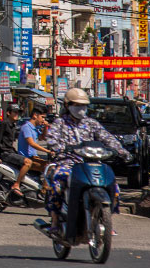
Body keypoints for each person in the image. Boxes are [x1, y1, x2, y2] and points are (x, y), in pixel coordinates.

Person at [43, 88, 132, 236]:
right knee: (59, 182)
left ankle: (107, 220)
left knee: (113, 185)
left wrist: (122, 152)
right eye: (77, 105)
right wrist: (60, 148)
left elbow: (107, 138)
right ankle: (55, 221)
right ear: (67, 105)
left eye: (83, 105)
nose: (81, 109)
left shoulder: (91, 123)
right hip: (68, 163)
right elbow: (51, 139)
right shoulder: (60, 123)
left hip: (91, 163)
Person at [12, 105, 52, 195]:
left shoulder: (35, 128)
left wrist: (45, 127)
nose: (43, 120)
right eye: (42, 117)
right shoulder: (26, 127)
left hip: (34, 157)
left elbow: (42, 138)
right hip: (27, 158)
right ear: (35, 115)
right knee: (49, 168)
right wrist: (48, 151)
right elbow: (31, 143)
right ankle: (44, 192)